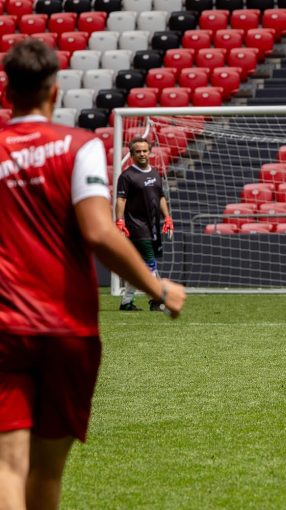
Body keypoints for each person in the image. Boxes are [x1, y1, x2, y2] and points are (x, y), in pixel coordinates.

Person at [0, 39, 186, 510]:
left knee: (7, 463)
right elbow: (99, 234)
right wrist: (158, 288)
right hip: (66, 326)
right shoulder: (79, 147)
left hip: (5, 326)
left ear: (8, 93)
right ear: (55, 91)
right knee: (47, 469)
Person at [115, 137, 174, 311]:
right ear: (132, 154)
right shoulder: (127, 176)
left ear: (150, 152)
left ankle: (127, 302)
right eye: (137, 151)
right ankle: (157, 300)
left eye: (144, 151)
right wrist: (120, 221)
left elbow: (160, 197)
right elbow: (121, 200)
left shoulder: (155, 173)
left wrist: (168, 217)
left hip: (153, 225)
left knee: (141, 265)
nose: (141, 154)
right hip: (136, 226)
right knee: (150, 263)